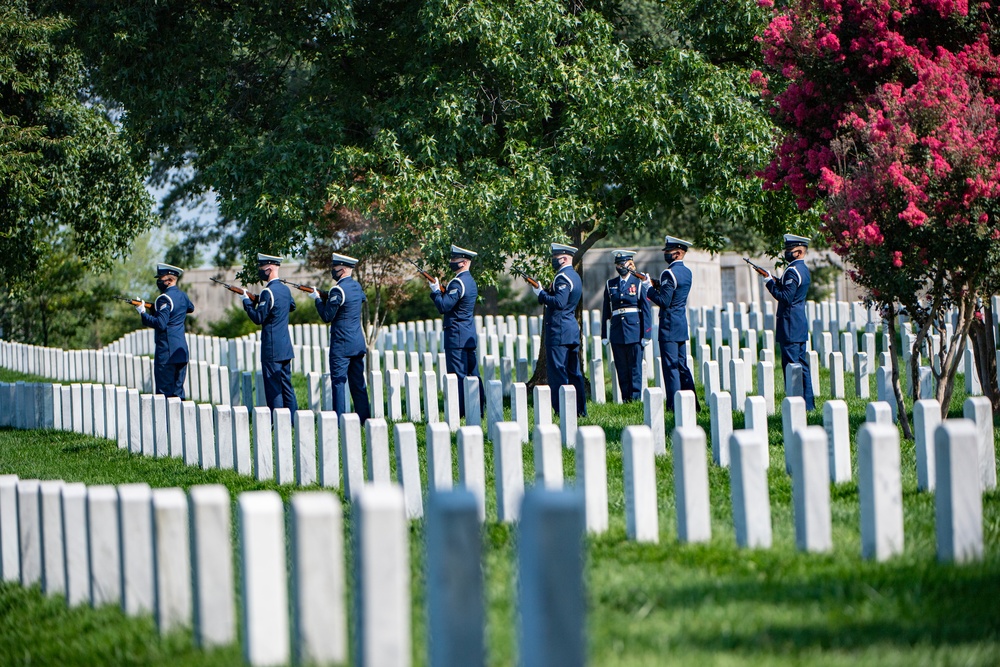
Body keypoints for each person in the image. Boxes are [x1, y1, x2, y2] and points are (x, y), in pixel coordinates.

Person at [309, 252, 371, 423]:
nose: (332, 270)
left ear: (342, 269)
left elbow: (327, 316)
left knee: (338, 383)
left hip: (341, 345)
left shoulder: (338, 289)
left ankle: (339, 421)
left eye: (334, 268)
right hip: (357, 343)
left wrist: (318, 300)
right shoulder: (356, 286)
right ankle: (365, 419)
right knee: (358, 384)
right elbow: (357, 300)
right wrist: (328, 295)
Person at [643, 236, 698, 412]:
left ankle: (674, 405)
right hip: (681, 323)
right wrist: (657, 284)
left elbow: (664, 301)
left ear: (677, 253)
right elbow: (675, 293)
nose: (666, 254)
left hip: (669, 325)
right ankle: (692, 403)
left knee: (670, 367)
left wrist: (648, 288)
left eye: (668, 252)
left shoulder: (669, 273)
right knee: (682, 365)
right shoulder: (687, 272)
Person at [428, 245, 483, 418]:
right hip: (467, 334)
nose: (451, 262)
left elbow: (444, 306)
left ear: (464, 262)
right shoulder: (470, 281)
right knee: (472, 375)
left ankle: (461, 413)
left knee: (458, 376)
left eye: (454, 260)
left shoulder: (458, 282)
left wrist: (436, 291)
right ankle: (478, 410)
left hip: (456, 336)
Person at [239, 253, 298, 415]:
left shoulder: (268, 292)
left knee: (273, 387)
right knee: (286, 386)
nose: (260, 270)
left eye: (261, 267)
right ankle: (293, 419)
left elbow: (258, 318)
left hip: (272, 347)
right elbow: (291, 306)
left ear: (269, 268)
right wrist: (259, 300)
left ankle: (277, 421)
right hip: (285, 346)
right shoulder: (285, 290)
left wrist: (247, 303)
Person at [532, 242, 587, 416]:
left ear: (563, 258)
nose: (553, 260)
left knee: (558, 373)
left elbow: (560, 302)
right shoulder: (575, 276)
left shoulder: (562, 277)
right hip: (570, 329)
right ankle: (579, 410)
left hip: (559, 330)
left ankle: (562, 409)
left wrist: (541, 294)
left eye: (555, 257)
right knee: (574, 373)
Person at [764, 233, 814, 410]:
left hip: (790, 325)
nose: (786, 253)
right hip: (798, 324)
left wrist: (770, 283)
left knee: (792, 366)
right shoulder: (803, 269)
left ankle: (796, 405)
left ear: (799, 252)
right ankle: (808, 404)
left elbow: (785, 297)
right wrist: (776, 280)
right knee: (802, 366)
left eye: (789, 250)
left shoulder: (792, 271)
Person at [600, 250, 652, 402]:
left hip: (634, 331)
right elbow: (606, 311)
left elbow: (646, 310)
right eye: (618, 264)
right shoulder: (611, 284)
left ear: (630, 264)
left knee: (635, 367)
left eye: (623, 263)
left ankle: (635, 399)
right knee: (621, 368)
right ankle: (626, 399)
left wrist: (646, 334)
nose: (620, 266)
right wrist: (604, 334)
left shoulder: (638, 282)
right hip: (617, 331)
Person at [138, 263, 194, 398]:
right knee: (178, 394)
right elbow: (190, 308)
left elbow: (160, 324)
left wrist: (144, 314)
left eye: (161, 279)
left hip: (167, 353)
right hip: (181, 351)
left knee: (164, 396)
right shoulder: (183, 296)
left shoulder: (164, 298)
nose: (158, 282)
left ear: (169, 280)